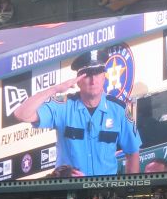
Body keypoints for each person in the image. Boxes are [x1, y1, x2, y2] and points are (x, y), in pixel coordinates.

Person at [13, 48, 141, 177]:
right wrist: (55, 89)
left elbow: (133, 152)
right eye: (88, 75)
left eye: (98, 73)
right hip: (70, 186)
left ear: (104, 76)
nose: (93, 80)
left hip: (105, 187)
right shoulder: (63, 107)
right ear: (78, 80)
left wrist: (130, 186)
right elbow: (21, 114)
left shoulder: (118, 110)